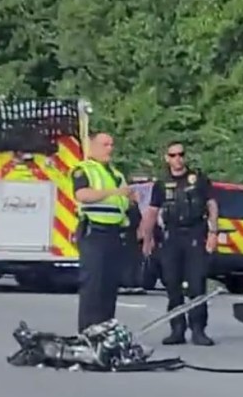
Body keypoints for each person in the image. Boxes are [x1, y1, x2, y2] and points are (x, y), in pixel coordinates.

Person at [140, 141, 219, 346]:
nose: (178, 158)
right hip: (171, 236)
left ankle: (199, 330)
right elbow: (152, 211)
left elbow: (211, 204)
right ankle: (177, 329)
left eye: (181, 154)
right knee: (172, 284)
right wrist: (147, 238)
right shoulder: (161, 183)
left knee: (196, 285)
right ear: (167, 158)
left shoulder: (198, 179)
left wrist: (213, 231)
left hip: (194, 233)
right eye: (173, 155)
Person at [71, 132, 134, 333]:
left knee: (109, 287)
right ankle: (88, 333)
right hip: (94, 234)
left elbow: (125, 202)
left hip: (114, 235)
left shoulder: (116, 174)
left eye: (112, 144)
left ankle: (106, 331)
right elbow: (82, 195)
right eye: (105, 144)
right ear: (93, 147)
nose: (110, 148)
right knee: (93, 287)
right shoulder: (84, 170)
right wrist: (114, 193)